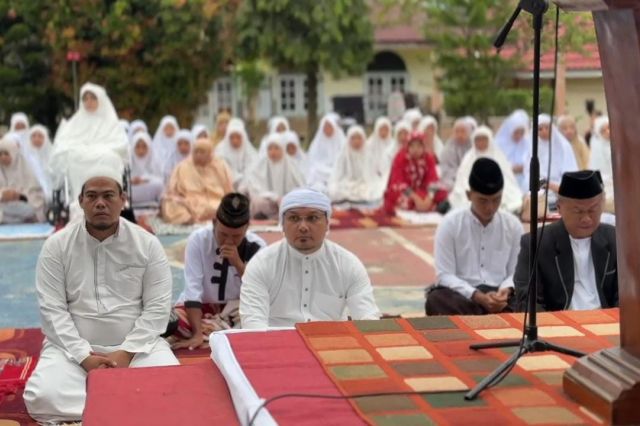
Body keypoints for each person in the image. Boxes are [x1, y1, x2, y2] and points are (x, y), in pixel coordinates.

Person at [23, 153, 178, 423]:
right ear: (81, 201)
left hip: (138, 351)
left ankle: (103, 404)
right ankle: (131, 405)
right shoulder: (57, 246)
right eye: (92, 196)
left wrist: (126, 353)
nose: (100, 203)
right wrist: (85, 357)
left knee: (176, 388)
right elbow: (52, 311)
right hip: (72, 352)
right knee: (42, 395)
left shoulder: (147, 245)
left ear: (123, 200)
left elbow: (157, 309)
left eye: (108, 195)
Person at [240, 189, 380, 328]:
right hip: (277, 344)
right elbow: (253, 324)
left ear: (327, 223)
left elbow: (368, 319)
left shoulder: (348, 264)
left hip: (329, 345)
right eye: (294, 218)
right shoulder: (262, 264)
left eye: (312, 218)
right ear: (282, 224)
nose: (303, 227)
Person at [426, 158, 522, 315]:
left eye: (496, 200)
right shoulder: (450, 224)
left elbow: (516, 272)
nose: (490, 207)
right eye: (483, 200)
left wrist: (506, 290)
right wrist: (477, 296)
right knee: (436, 300)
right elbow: (444, 274)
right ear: (469, 195)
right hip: (464, 297)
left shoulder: (513, 226)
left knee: (531, 297)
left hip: (501, 297)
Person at [171, 193, 266, 349]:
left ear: (247, 228)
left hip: (237, 310)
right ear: (214, 223)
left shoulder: (257, 247)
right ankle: (214, 333)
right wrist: (196, 333)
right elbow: (192, 289)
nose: (229, 241)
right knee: (168, 321)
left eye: (236, 236)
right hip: (201, 308)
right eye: (223, 234)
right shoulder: (199, 240)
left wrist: (237, 263)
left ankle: (214, 331)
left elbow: (261, 290)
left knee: (262, 323)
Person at [513, 170, 617, 311]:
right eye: (578, 211)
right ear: (559, 208)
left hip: (605, 323)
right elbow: (527, 300)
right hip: (558, 324)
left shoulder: (615, 239)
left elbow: (627, 294)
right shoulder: (536, 243)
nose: (586, 218)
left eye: (593, 210)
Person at [48, 82, 129, 218]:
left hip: (104, 154)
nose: (89, 102)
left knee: (110, 157)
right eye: (85, 99)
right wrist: (84, 149)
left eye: (93, 98)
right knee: (73, 157)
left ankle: (110, 198)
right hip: (82, 156)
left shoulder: (111, 122)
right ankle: (81, 200)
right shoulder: (74, 123)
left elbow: (120, 144)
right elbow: (63, 144)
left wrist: (97, 149)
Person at [450, 126, 523, 213]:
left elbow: (506, 176)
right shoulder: (469, 157)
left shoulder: (497, 155)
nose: (481, 142)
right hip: (473, 185)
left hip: (496, 184)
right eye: (478, 139)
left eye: (484, 139)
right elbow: (462, 178)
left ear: (489, 140)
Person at [162, 137, 233, 225]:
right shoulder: (183, 166)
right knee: (170, 203)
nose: (198, 155)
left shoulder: (220, 166)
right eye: (196, 152)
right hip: (189, 201)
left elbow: (228, 191)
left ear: (210, 153)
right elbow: (173, 190)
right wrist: (179, 199)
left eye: (202, 152)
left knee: (230, 205)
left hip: (215, 201)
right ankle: (187, 219)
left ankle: (214, 215)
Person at [383, 132, 448, 215]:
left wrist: (429, 199)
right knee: (395, 195)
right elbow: (398, 182)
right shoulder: (400, 157)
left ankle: (425, 206)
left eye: (419, 146)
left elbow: (433, 179)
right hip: (405, 191)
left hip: (423, 191)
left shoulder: (429, 158)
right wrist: (416, 199)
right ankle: (429, 206)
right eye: (412, 146)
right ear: (408, 146)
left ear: (423, 147)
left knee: (442, 191)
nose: (415, 149)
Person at [246, 133, 305, 219]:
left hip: (287, 202)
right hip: (269, 202)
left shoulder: (291, 165)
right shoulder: (260, 165)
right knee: (257, 202)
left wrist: (285, 199)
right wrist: (274, 197)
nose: (273, 152)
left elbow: (300, 186)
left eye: (276, 148)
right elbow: (255, 188)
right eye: (270, 149)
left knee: (298, 203)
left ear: (283, 149)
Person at [523, 114, 578, 194]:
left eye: (547, 128)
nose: (544, 131)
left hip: (562, 187)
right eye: (540, 129)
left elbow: (570, 172)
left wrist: (554, 186)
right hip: (539, 189)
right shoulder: (532, 149)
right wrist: (546, 184)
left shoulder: (563, 146)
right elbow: (529, 173)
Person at [0, 136, 45, 223]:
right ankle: (17, 220)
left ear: (13, 153)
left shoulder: (25, 168)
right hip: (4, 206)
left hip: (23, 205)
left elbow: (36, 193)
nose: (3, 157)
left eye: (6, 154)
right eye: (0, 154)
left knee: (30, 210)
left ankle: (13, 220)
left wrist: (19, 196)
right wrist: (2, 195)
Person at [328, 126, 378, 204]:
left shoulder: (369, 155)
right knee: (335, 190)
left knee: (374, 190)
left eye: (359, 138)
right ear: (348, 140)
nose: (356, 141)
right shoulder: (343, 155)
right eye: (353, 138)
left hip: (365, 183)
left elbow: (372, 176)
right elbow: (338, 175)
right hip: (346, 183)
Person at [305, 114, 347, 192]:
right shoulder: (317, 142)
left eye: (330, 126)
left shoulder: (342, 141)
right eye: (325, 126)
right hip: (321, 171)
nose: (327, 129)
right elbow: (312, 161)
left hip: (337, 170)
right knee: (314, 172)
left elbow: (344, 160)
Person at [215, 118, 258, 190]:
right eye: (232, 137)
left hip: (247, 186)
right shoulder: (220, 150)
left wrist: (244, 182)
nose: (235, 140)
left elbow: (253, 168)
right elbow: (223, 169)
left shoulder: (249, 150)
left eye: (238, 137)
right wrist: (239, 179)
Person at [495, 110, 531, 193]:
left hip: (523, 178)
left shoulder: (526, 142)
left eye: (521, 132)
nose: (519, 135)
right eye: (516, 132)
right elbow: (496, 162)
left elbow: (530, 159)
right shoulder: (499, 143)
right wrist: (510, 168)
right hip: (505, 177)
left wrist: (524, 167)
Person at [129, 132, 164, 206]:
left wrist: (144, 179)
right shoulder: (128, 160)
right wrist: (131, 180)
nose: (141, 150)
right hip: (133, 189)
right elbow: (123, 178)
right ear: (133, 147)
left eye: (144, 147)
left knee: (159, 184)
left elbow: (160, 178)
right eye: (137, 147)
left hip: (148, 188)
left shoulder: (154, 160)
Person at [439, 118, 473, 191]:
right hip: (452, 179)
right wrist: (459, 174)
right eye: (457, 131)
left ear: (469, 132)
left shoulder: (473, 147)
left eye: (463, 131)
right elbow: (444, 168)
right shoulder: (448, 148)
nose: (460, 134)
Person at [588, 116, 614, 212]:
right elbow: (596, 171)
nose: (608, 132)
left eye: (609, 128)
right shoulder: (597, 148)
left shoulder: (620, 145)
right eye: (603, 130)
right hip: (605, 184)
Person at [367, 117, 395, 199]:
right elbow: (367, 162)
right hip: (372, 174)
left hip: (389, 174)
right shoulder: (369, 144)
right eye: (381, 129)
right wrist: (376, 172)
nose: (383, 132)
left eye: (386, 129)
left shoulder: (393, 144)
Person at [25, 125, 53, 199]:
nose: (36, 139)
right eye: (33, 136)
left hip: (53, 194)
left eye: (40, 136)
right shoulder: (26, 158)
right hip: (32, 194)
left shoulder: (53, 156)